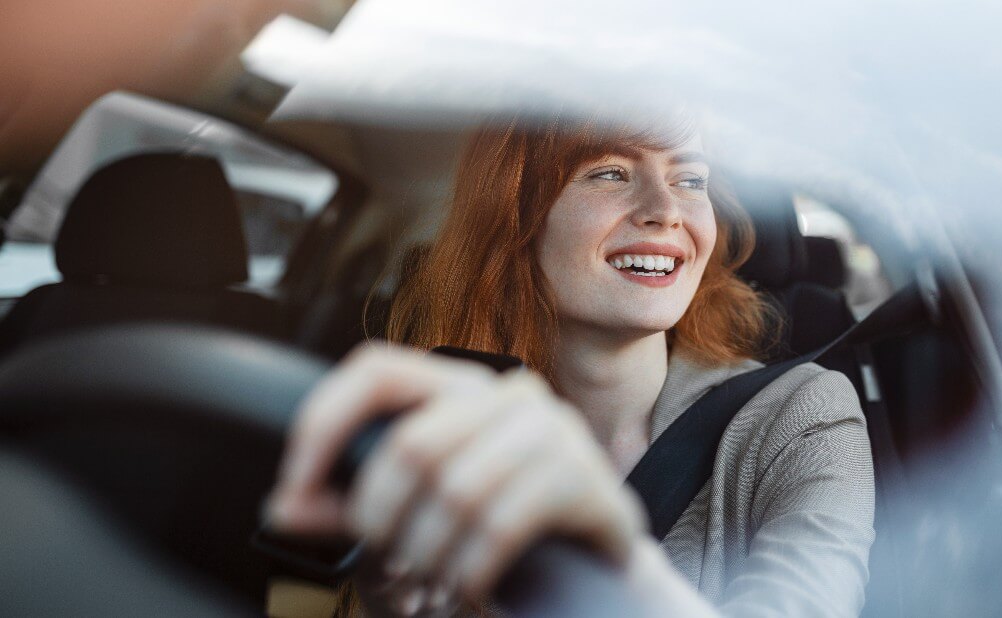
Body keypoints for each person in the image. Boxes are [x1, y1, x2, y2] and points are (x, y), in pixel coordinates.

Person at [266, 113, 875, 616]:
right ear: (518, 219)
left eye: (691, 180)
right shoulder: (441, 423)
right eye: (609, 173)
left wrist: (613, 562)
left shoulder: (802, 415)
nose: (666, 209)